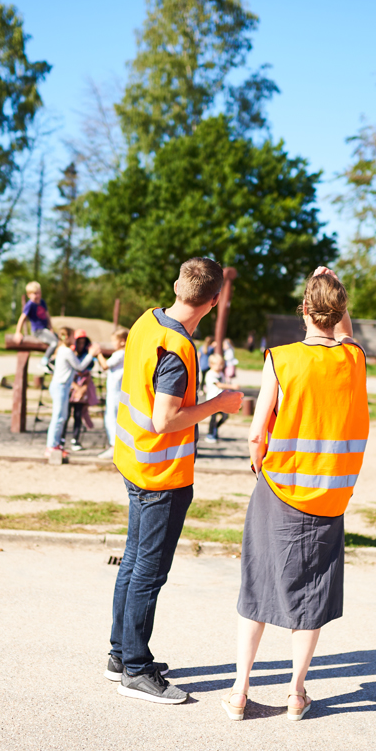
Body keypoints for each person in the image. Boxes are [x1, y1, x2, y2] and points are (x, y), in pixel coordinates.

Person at [223, 267, 369, 723]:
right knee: (312, 594)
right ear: (341, 312)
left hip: (279, 490)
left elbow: (255, 432)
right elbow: (343, 334)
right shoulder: (354, 359)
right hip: (328, 496)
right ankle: (295, 693)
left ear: (303, 310)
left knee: (258, 587)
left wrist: (257, 462)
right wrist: (332, 283)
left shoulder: (281, 359)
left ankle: (239, 692)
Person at [108, 257, 243, 705]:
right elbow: (167, 419)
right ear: (214, 300)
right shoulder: (179, 349)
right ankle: (137, 670)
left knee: (132, 562)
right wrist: (220, 402)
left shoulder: (147, 323)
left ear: (177, 285)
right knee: (148, 570)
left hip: (134, 462)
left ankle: (120, 655)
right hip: (161, 475)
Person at [46, 327, 100, 457]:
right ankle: (51, 446)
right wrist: (91, 355)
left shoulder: (62, 350)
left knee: (62, 417)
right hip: (60, 387)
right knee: (58, 418)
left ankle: (57, 445)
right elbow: (79, 367)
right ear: (69, 337)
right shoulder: (66, 351)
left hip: (63, 387)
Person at [97, 327, 129, 459]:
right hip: (118, 390)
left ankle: (114, 446)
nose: (112, 344)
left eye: (114, 341)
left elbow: (105, 365)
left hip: (115, 391)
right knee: (115, 418)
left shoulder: (119, 354)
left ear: (122, 341)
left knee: (111, 418)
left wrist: (97, 353)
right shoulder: (125, 353)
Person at [13, 281, 58, 370]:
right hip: (38, 331)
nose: (38, 295)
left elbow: (47, 316)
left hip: (45, 329)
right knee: (54, 342)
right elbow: (22, 318)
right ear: (29, 294)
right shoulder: (29, 305)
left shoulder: (42, 302)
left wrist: (51, 328)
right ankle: (43, 362)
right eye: (35, 293)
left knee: (57, 338)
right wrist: (18, 332)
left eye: (39, 293)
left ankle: (52, 360)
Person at [66, 331, 95, 451]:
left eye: (83, 342)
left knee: (78, 415)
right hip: (70, 389)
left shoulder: (86, 357)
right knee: (66, 415)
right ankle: (62, 439)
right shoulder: (70, 354)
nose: (81, 345)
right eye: (79, 342)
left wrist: (83, 388)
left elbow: (88, 373)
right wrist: (75, 386)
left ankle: (75, 440)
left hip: (81, 391)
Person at [202, 353, 240, 444]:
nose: (220, 367)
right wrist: (232, 386)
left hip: (221, 400)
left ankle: (215, 429)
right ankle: (210, 434)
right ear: (211, 364)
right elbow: (219, 385)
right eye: (218, 365)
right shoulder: (210, 374)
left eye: (221, 365)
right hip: (212, 399)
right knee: (213, 418)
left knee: (225, 416)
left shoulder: (221, 374)